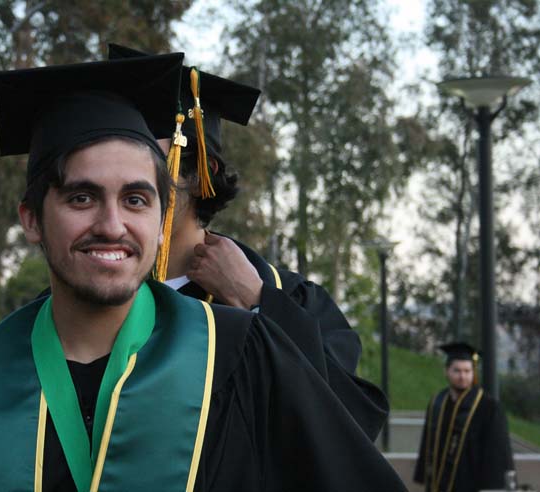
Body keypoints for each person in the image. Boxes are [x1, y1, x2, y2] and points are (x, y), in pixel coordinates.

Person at [0, 54, 406, 491]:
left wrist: (258, 299)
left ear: (162, 217)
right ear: (31, 219)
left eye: (136, 198)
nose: (111, 225)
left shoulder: (244, 355)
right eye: (82, 197)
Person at [104, 43, 389, 440]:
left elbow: (347, 427)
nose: (125, 179)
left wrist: (257, 302)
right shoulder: (87, 294)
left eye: (148, 158)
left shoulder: (285, 296)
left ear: (201, 170)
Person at [414, 342, 514, 492]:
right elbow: (427, 442)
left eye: (467, 371)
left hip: (471, 485)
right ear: (446, 371)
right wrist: (423, 474)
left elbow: (498, 453)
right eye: (457, 371)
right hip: (438, 484)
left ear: (473, 373)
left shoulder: (488, 406)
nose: (463, 376)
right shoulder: (437, 402)